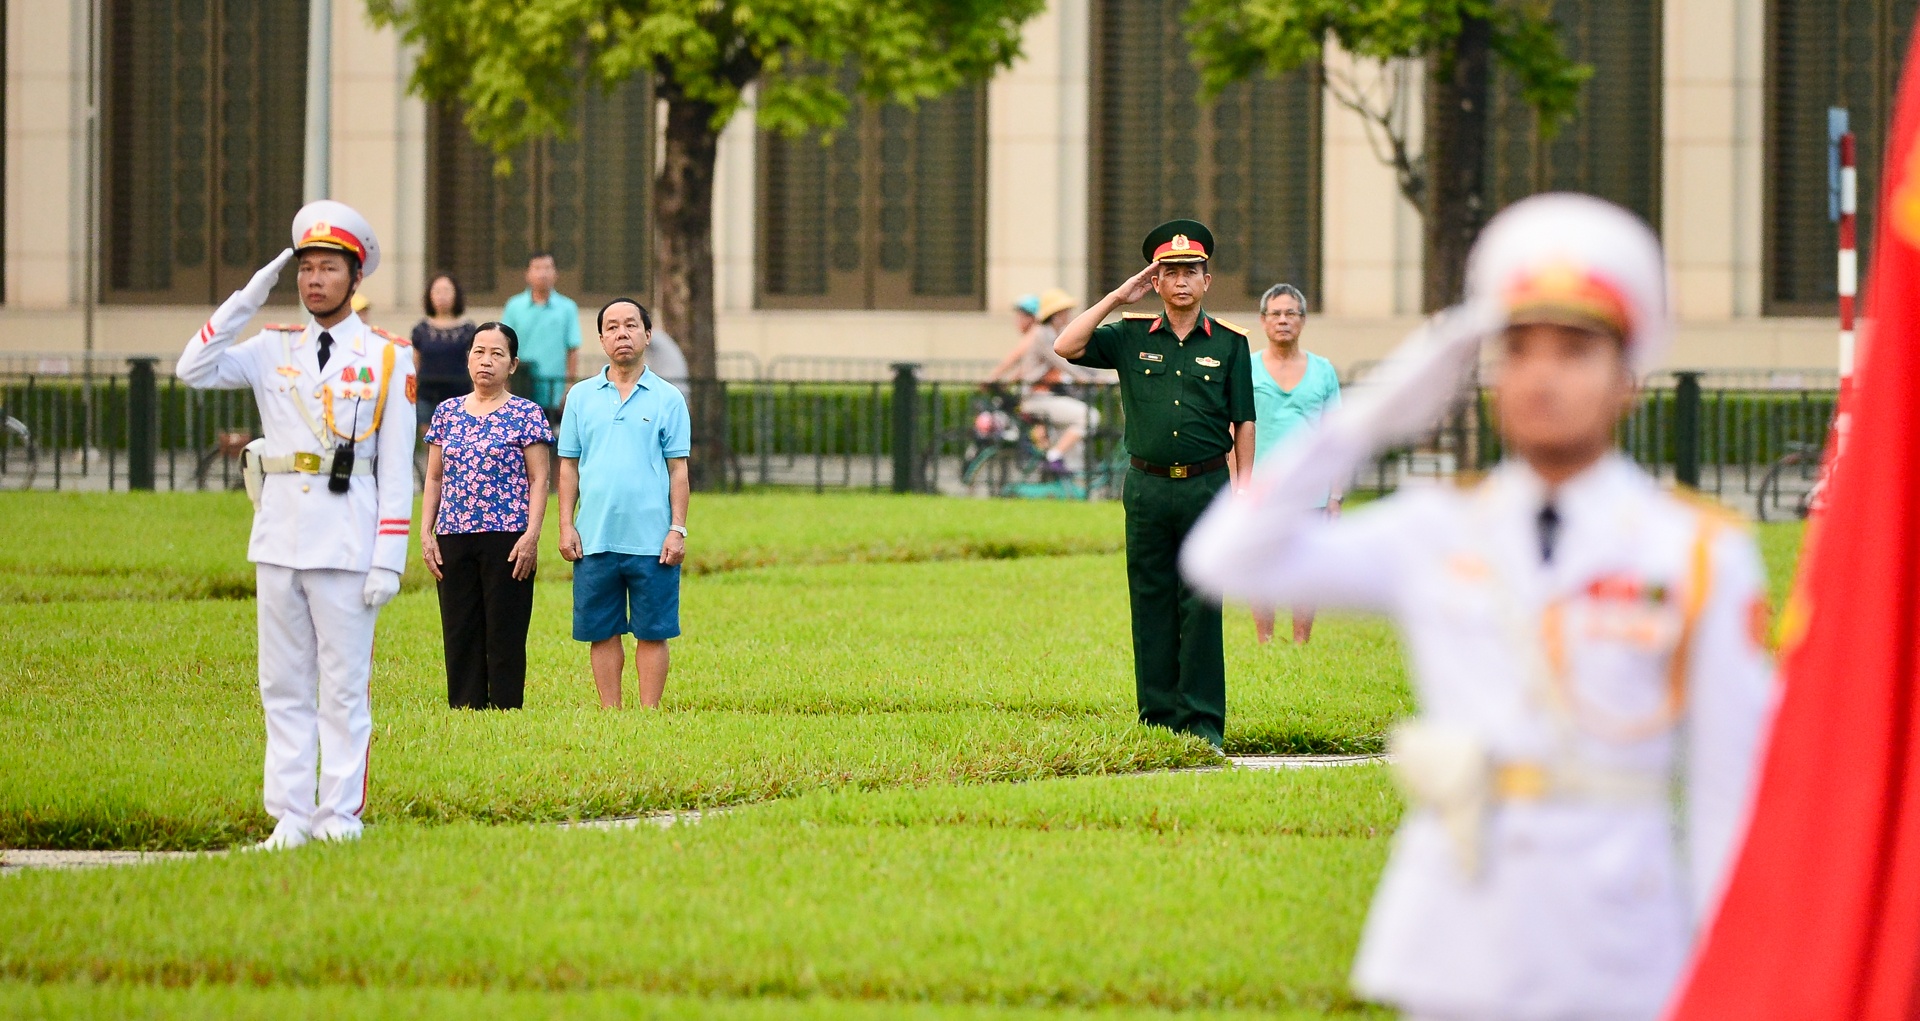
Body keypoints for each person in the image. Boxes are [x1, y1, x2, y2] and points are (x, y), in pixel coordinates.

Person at [1182, 193, 1775, 1020]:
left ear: (1628, 379)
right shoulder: (1438, 526)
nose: (1542, 376)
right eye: (1518, 350)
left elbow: (1730, 790)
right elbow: (1223, 557)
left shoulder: (1697, 551)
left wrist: (1735, 977)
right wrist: (1371, 416)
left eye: (1575, 350)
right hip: (1462, 932)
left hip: (1621, 940)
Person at [174, 200, 415, 850]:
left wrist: (388, 558)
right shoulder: (271, 346)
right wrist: (247, 296)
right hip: (279, 538)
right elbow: (192, 368)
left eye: (328, 268)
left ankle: (338, 814)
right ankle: (290, 814)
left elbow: (397, 468)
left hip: (346, 542)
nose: (314, 280)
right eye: (306, 268)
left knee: (343, 687)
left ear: (355, 277)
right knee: (281, 685)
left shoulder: (387, 356)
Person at [1052, 219, 1256, 749]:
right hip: (1147, 488)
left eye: (1191, 271)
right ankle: (1159, 721)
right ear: (1156, 281)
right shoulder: (1128, 335)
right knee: (1151, 602)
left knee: (1202, 605)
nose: (1181, 281)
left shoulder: (1231, 344)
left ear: (1207, 280)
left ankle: (1203, 723)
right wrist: (1117, 297)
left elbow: (1244, 421)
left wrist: (1244, 491)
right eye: (1170, 272)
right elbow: (1065, 346)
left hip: (1208, 488)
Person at [557, 298, 691, 710]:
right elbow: (568, 467)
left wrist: (677, 529)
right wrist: (566, 525)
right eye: (612, 327)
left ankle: (649, 712)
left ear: (647, 335)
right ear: (601, 339)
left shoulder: (668, 398)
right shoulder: (580, 397)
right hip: (594, 536)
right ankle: (610, 711)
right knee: (601, 630)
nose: (622, 334)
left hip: (652, 539)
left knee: (653, 631)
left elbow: (679, 471)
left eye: (631, 325)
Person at [420, 322, 555, 710]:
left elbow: (539, 479)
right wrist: (426, 532)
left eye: (497, 354)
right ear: (468, 359)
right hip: (453, 533)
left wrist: (532, 534)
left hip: (508, 536)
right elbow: (434, 477)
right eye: (479, 352)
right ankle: (466, 706)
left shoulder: (526, 413)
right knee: (459, 626)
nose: (486, 361)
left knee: (505, 627)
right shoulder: (447, 413)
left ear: (512, 365)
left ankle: (506, 707)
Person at [1249, 282, 1342, 645]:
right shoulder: (1247, 368)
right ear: (1263, 321)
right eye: (1275, 314)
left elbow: (1335, 437)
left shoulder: (1323, 370)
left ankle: (1302, 641)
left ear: (1303, 320)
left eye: (1291, 313)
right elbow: (1232, 431)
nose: (1283, 320)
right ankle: (1266, 641)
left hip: (1311, 489)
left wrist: (1335, 495)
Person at [987, 288, 1100, 473]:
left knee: (1073, 445)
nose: (1068, 315)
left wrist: (1097, 376)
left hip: (1049, 396)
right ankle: (1053, 457)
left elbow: (1079, 358)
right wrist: (1085, 379)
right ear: (1055, 315)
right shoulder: (1042, 334)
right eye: (1064, 311)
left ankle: (1065, 477)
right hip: (1038, 397)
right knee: (1089, 416)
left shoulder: (1055, 333)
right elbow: (1063, 361)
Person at [500, 251, 581, 416]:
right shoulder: (514, 306)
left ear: (556, 274)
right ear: (527, 274)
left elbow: (572, 349)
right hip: (521, 387)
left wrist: (569, 387)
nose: (542, 274)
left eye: (547, 268)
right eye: (537, 268)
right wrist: (504, 384)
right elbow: (503, 345)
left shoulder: (568, 308)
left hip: (554, 390)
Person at [410, 273, 477, 426]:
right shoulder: (421, 330)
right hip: (427, 395)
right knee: (430, 438)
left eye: (447, 291)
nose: (442, 296)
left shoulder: (468, 329)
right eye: (437, 291)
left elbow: (474, 363)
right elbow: (415, 363)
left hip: (460, 395)